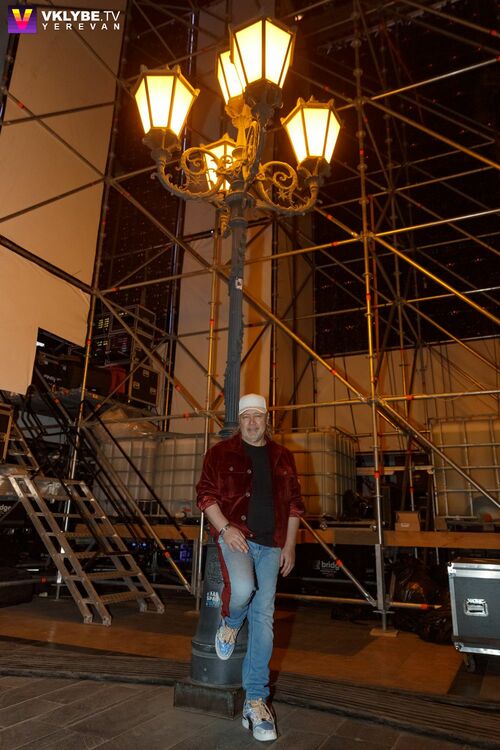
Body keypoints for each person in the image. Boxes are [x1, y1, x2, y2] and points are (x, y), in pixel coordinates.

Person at [196, 393, 304, 742]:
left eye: (258, 416)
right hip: (237, 537)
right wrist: (226, 528)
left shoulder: (283, 456)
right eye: (246, 417)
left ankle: (255, 702)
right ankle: (229, 624)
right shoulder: (219, 453)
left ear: (266, 419)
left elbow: (295, 506)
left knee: (264, 622)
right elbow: (205, 496)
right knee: (242, 589)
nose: (252, 422)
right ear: (239, 421)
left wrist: (289, 544)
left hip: (272, 545)